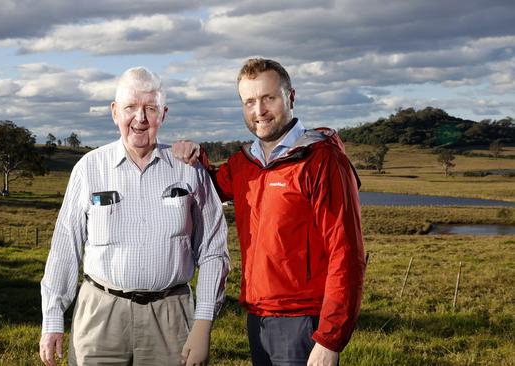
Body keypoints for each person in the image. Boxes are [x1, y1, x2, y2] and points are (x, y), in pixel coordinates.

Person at [172, 58, 365, 366]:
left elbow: (348, 254)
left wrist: (330, 338)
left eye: (268, 98)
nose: (259, 111)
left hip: (304, 322)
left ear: (290, 97)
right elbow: (210, 189)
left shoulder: (321, 160)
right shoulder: (243, 163)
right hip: (258, 319)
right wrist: (192, 157)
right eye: (249, 101)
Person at [40, 66, 230, 366]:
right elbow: (65, 247)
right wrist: (52, 317)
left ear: (163, 114)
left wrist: (203, 321)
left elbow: (213, 252)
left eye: (150, 108)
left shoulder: (189, 170)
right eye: (130, 107)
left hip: (172, 317)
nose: (140, 119)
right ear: (115, 112)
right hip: (99, 315)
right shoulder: (89, 168)